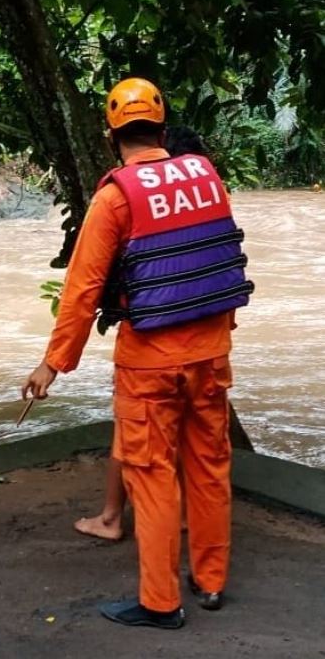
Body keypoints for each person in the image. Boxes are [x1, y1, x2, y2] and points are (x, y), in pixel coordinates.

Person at [23, 78, 252, 629]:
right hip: (211, 353)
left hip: (151, 361)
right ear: (163, 127)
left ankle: (160, 602)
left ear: (111, 137)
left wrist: (53, 363)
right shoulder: (206, 176)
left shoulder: (114, 196)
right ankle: (211, 581)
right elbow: (219, 260)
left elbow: (82, 289)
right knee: (210, 467)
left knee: (149, 475)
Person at [73, 124, 212, 543]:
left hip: (151, 349)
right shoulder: (201, 196)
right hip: (202, 346)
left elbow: (84, 288)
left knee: (136, 433)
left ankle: (115, 518)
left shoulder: (125, 197)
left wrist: (55, 363)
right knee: (191, 440)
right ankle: (182, 526)